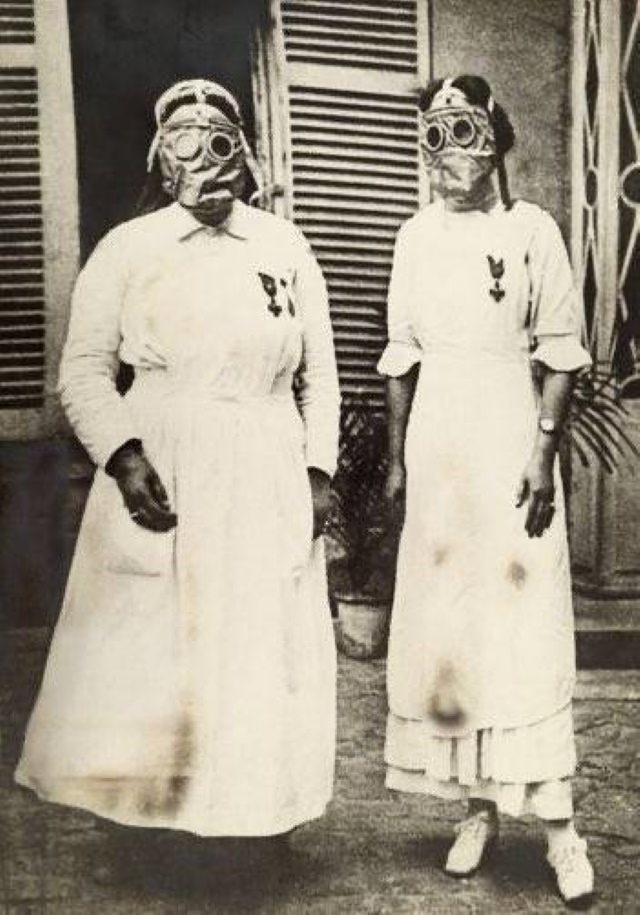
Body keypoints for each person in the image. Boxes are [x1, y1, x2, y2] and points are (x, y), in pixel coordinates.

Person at [16, 80, 340, 848]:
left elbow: (318, 375)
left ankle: (257, 820)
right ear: (163, 162)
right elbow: (85, 371)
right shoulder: (129, 249)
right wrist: (125, 458)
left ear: (248, 154)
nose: (208, 163)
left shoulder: (284, 247)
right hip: (165, 462)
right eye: (187, 145)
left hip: (264, 463)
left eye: (223, 141)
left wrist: (317, 472)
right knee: (156, 643)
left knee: (260, 641)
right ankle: (151, 826)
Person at [380, 75, 594, 905]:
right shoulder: (414, 236)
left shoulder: (532, 229)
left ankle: (562, 828)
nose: (444, 156)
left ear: (496, 141)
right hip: (440, 447)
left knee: (524, 618)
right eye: (431, 137)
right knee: (453, 621)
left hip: (509, 433)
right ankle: (477, 807)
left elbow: (563, 351)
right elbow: (402, 355)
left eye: (462, 134)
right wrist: (398, 460)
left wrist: (543, 454)